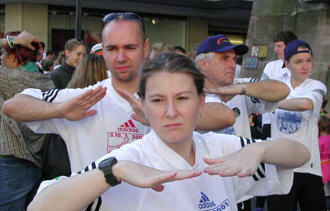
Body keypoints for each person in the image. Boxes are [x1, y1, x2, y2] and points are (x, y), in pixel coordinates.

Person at [25, 53, 310, 211]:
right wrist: (113, 173)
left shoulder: (217, 148)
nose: (171, 112)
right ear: (144, 107)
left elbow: (299, 154)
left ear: (201, 104)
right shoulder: (128, 160)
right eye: (159, 100)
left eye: (183, 98)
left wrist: (259, 149)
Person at [3, 12, 235, 173]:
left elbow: (226, 115)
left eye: (130, 48)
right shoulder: (86, 99)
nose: (121, 57)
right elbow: (13, 105)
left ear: (145, 47)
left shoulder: (170, 96)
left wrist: (159, 115)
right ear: (103, 50)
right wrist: (61, 110)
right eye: (112, 49)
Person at [195, 34, 290, 211]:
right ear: (203, 64)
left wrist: (239, 89)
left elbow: (282, 90)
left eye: (233, 59)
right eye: (224, 58)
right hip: (204, 194)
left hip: (240, 192)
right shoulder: (188, 92)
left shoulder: (241, 86)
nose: (232, 64)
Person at [267, 39, 328, 211]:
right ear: (286, 63)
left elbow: (306, 104)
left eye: (309, 61)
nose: (305, 66)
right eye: (298, 61)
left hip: (310, 167)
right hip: (280, 167)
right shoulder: (276, 85)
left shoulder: (316, 85)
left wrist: (271, 102)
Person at [0, 31, 54, 211]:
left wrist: (10, 41)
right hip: (37, 162)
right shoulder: (47, 82)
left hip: (8, 163)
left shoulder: (8, 78)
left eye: (3, 56)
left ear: (13, 58)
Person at [254, 30, 298, 211]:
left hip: (292, 124)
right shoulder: (271, 66)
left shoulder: (299, 67)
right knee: (269, 167)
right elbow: (263, 88)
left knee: (292, 166)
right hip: (270, 121)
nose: (275, 49)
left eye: (279, 45)